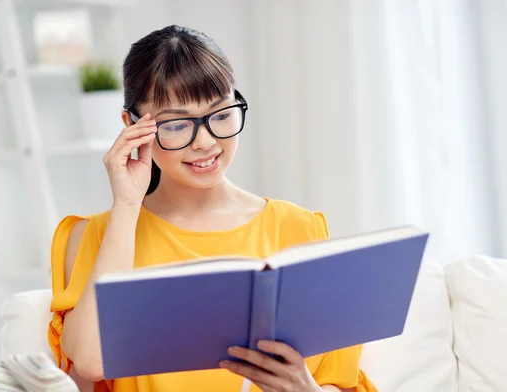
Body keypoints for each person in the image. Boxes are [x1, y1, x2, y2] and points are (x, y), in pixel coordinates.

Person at [48, 25, 377, 392]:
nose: (205, 142)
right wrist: (127, 204)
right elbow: (92, 361)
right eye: (176, 124)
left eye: (221, 115)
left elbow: (337, 380)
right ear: (132, 126)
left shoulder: (300, 228)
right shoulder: (95, 235)